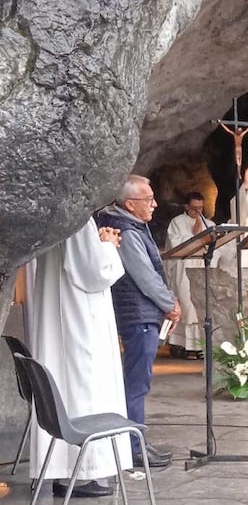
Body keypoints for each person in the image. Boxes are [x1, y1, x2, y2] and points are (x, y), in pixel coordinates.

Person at [28, 218, 131, 498]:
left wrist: (97, 241)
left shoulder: (58, 216)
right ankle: (85, 473)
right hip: (80, 319)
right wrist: (108, 246)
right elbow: (93, 271)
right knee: (85, 390)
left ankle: (65, 470)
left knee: (68, 387)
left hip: (64, 310)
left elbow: (77, 256)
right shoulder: (77, 217)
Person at [97, 175, 181, 467]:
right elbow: (144, 276)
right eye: (148, 200)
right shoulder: (129, 233)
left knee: (135, 383)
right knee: (136, 385)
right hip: (139, 315)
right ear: (130, 204)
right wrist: (169, 304)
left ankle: (134, 444)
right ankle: (134, 449)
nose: (155, 204)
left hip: (140, 315)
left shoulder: (128, 225)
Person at [165, 191, 214, 359]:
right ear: (187, 206)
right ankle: (183, 346)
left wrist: (206, 237)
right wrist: (196, 236)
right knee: (187, 305)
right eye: (194, 209)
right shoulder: (176, 222)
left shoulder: (208, 223)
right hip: (183, 267)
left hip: (202, 267)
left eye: (201, 208)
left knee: (200, 306)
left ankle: (200, 346)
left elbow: (217, 244)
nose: (198, 212)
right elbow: (175, 244)